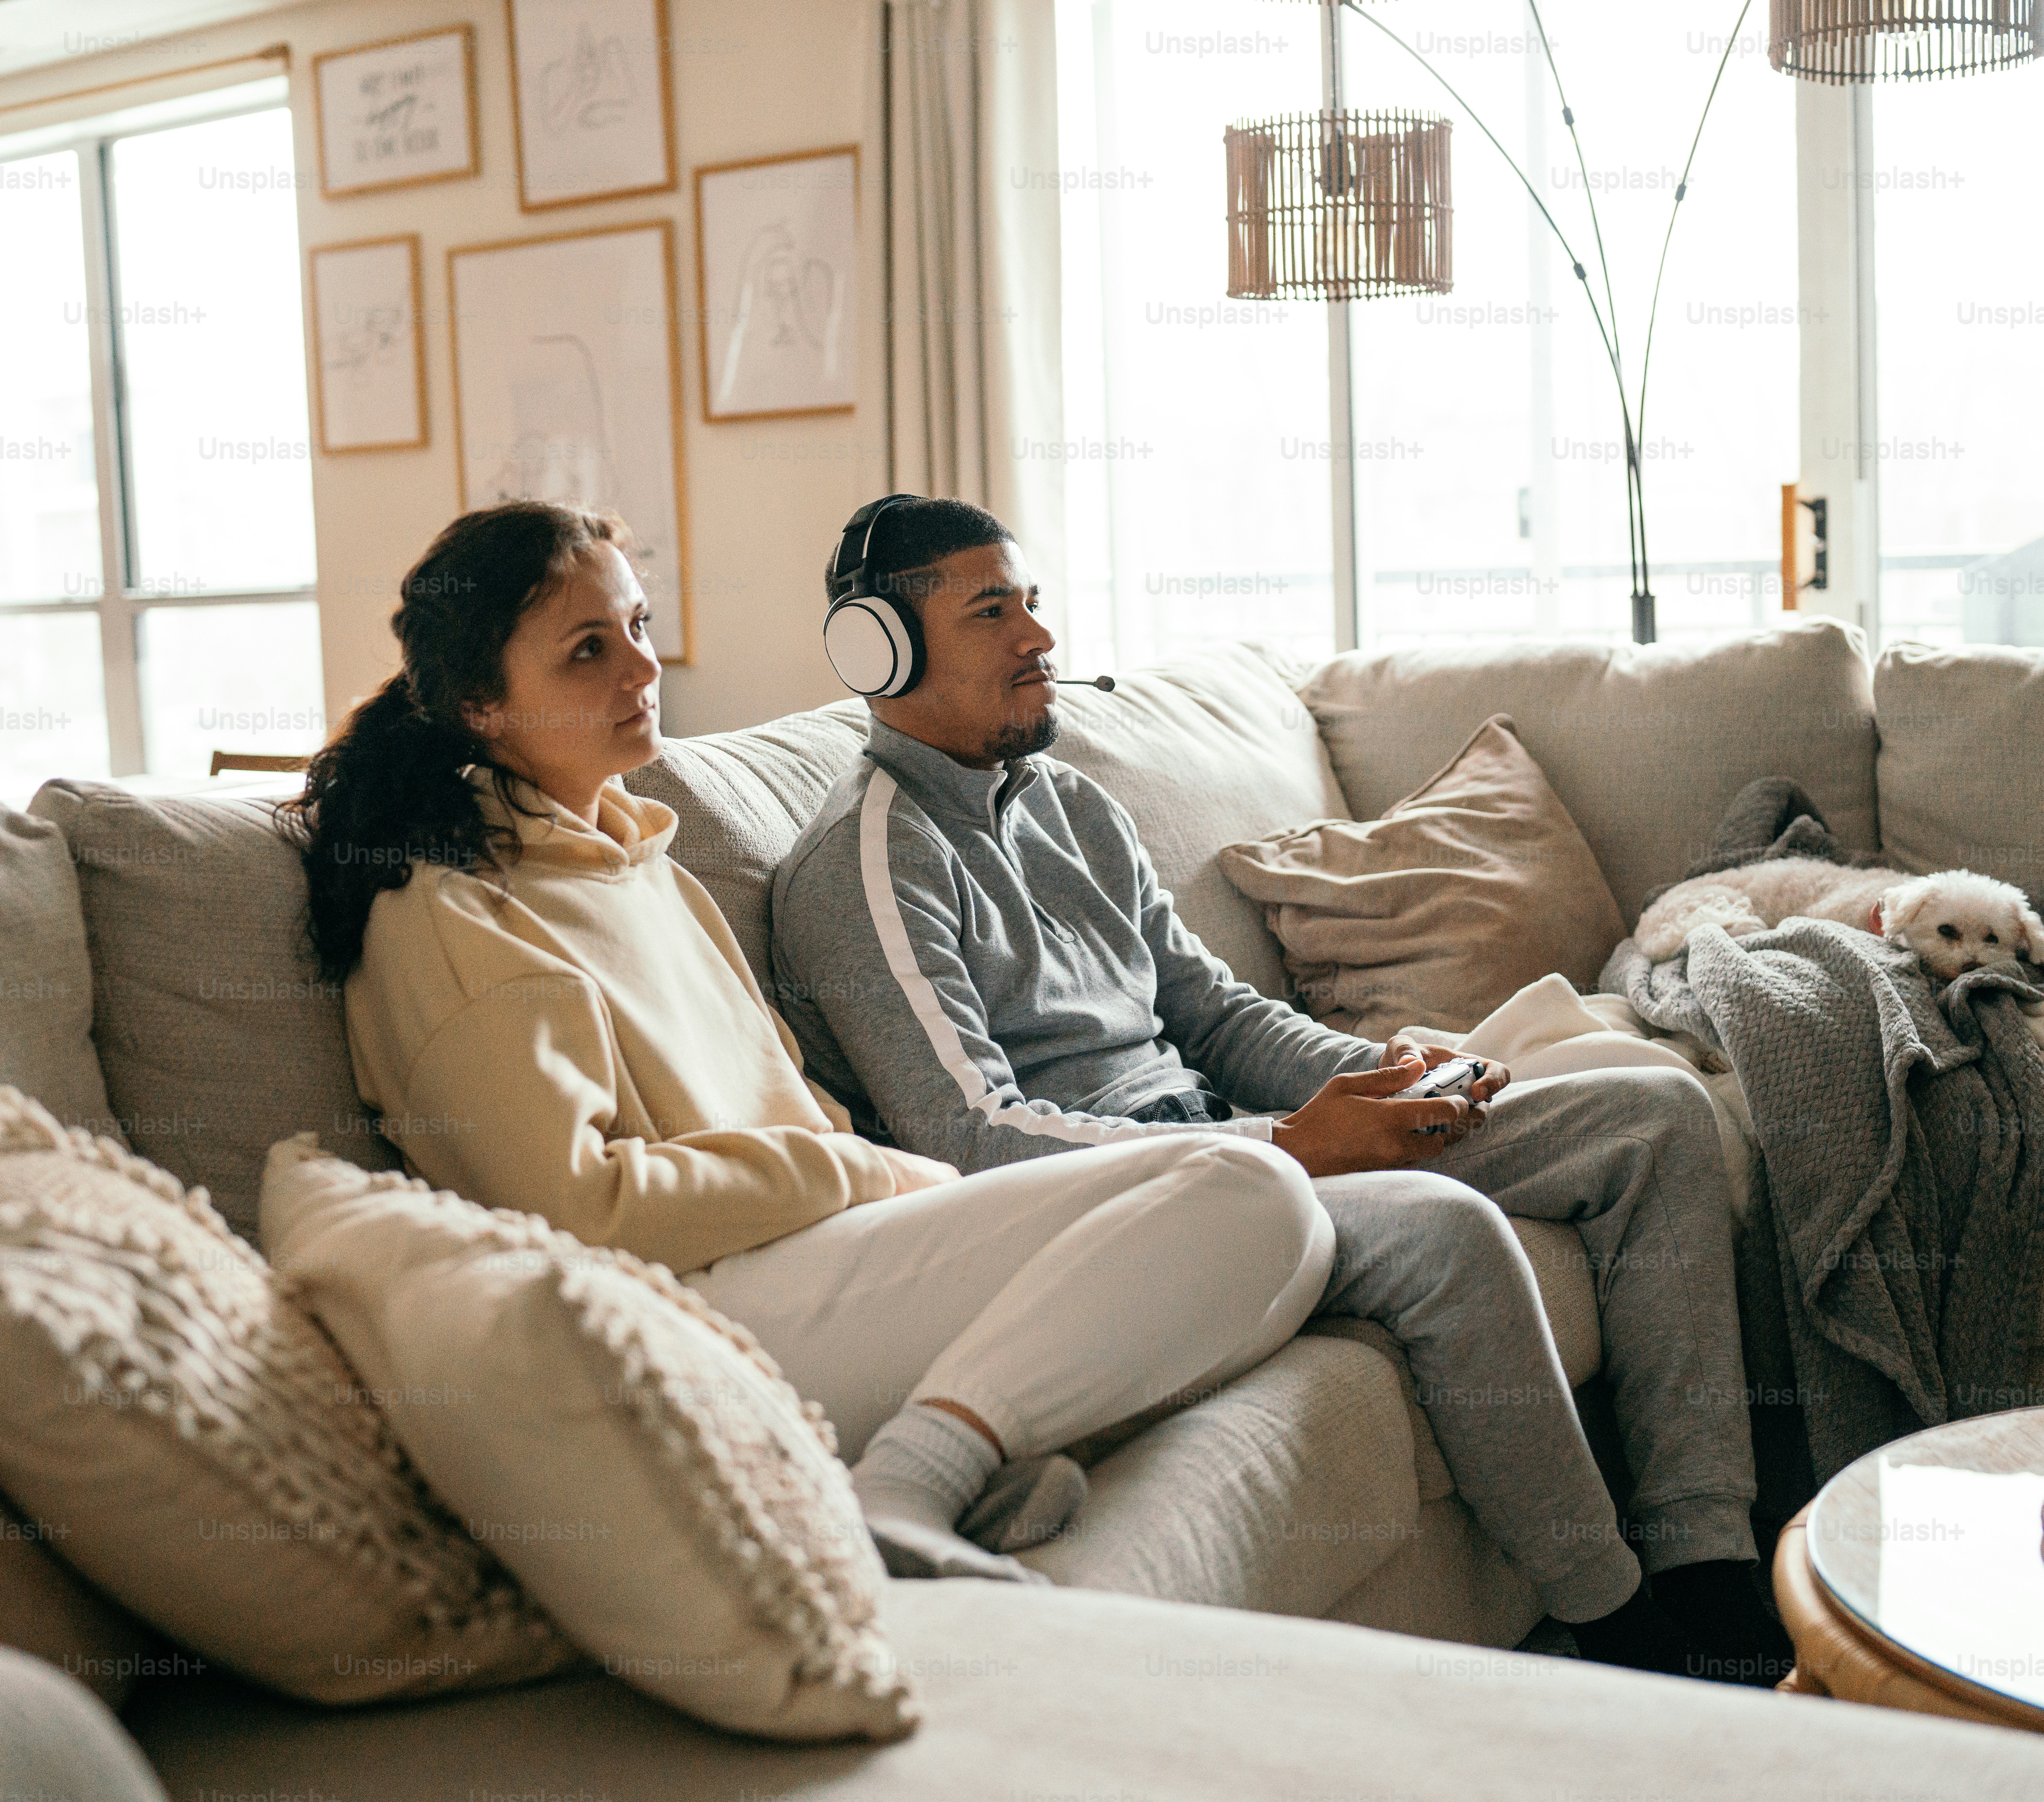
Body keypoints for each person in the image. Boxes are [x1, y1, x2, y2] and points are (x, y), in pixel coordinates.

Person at [772, 495, 1793, 1682]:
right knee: (1448, 1231)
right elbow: (971, 1133)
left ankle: (1705, 1559)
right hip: (1136, 1198)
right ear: (879, 651)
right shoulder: (868, 862)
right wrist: (1298, 1142)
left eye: (1032, 602)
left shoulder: (1070, 806)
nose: (1037, 639)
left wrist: (1388, 1076)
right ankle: (1624, 1629)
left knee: (1654, 1110)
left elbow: (1211, 1012)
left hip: (1246, 1138)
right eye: (991, 611)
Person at [285, 500, 1342, 1586]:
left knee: (1288, 1228)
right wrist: (856, 1169)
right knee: (1246, 1190)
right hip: (695, 1308)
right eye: (588, 651)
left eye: (641, 627)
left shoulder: (646, 866)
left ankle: (953, 1447)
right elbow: (573, 1209)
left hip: (825, 1246)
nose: (641, 671)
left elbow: (791, 1105)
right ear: (481, 705)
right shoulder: (451, 916)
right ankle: (913, 1483)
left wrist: (885, 1185)